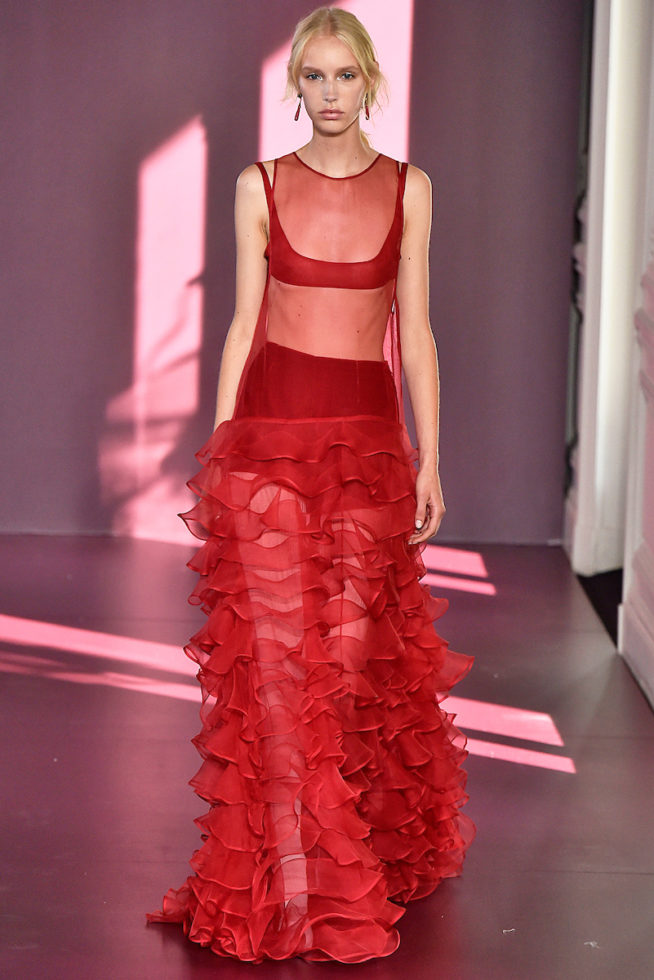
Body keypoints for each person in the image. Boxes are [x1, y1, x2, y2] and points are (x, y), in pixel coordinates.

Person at [147, 5, 474, 963]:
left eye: (344, 76)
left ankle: (335, 861)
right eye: (315, 77)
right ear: (298, 84)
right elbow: (243, 323)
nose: (330, 93)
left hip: (370, 451)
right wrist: (219, 447)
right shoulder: (261, 184)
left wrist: (432, 456)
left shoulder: (411, 189)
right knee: (282, 678)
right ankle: (302, 889)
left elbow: (414, 331)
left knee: (345, 668)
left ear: (370, 81)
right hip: (271, 445)